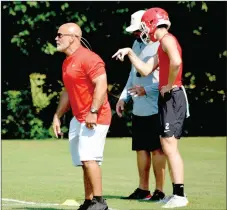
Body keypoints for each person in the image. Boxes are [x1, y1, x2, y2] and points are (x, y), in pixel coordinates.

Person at [112, 7, 189, 208]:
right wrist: (129, 52)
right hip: (166, 97)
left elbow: (177, 62)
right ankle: (176, 194)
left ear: (153, 23)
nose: (143, 31)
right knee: (166, 146)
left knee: (169, 148)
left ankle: (179, 195)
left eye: (145, 26)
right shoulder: (159, 42)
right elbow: (145, 69)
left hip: (172, 96)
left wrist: (170, 84)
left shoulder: (166, 40)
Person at [53, 22, 111, 210]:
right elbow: (67, 91)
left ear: (73, 38)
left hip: (96, 116)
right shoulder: (67, 61)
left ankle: (100, 202)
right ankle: (89, 201)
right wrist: (57, 116)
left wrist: (93, 112)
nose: (56, 38)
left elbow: (101, 84)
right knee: (83, 161)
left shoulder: (89, 58)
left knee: (89, 158)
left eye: (60, 35)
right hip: (79, 118)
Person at [116, 10, 166, 201]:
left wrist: (149, 90)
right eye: (134, 31)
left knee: (156, 149)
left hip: (156, 105)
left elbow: (167, 77)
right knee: (141, 148)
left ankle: (159, 190)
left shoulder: (160, 45)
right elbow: (133, 74)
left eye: (138, 30)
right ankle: (143, 188)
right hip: (139, 107)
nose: (136, 34)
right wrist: (123, 98)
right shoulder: (136, 44)